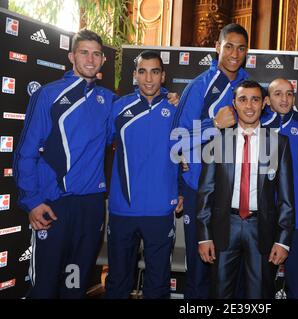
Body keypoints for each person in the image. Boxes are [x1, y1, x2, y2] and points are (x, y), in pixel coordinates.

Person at [13, 29, 115, 298]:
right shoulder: (48, 95)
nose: (91, 59)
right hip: (53, 204)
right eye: (84, 52)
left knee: (75, 285)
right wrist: (32, 201)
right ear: (72, 56)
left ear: (103, 59)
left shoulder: (108, 100)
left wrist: (166, 96)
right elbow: (26, 152)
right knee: (45, 287)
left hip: (91, 205)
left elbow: (132, 120)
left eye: (96, 54)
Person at [170, 23, 249, 298]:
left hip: (238, 192)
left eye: (241, 48)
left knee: (234, 272)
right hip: (200, 190)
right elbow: (177, 140)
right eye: (228, 46)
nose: (234, 54)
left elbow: (275, 127)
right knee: (200, 271)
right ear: (217, 47)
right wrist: (213, 124)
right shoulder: (199, 87)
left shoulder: (250, 88)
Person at [196, 80, 295, 298]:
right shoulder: (218, 142)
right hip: (224, 227)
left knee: (259, 295)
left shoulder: (279, 143)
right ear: (234, 103)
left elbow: (287, 198)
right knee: (219, 293)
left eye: (255, 99)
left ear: (264, 104)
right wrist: (204, 236)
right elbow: (206, 193)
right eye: (243, 99)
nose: (249, 106)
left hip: (261, 229)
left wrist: (283, 239)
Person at [105, 50, 183, 299]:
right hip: (122, 210)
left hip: (160, 210)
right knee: (118, 282)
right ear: (134, 75)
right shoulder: (117, 108)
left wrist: (181, 191)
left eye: (155, 72)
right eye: (142, 71)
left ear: (163, 76)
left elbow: (188, 155)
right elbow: (95, 147)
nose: (148, 78)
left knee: (158, 284)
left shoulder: (176, 109)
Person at [261, 78, 298, 298]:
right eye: (278, 94)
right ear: (267, 100)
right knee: (259, 287)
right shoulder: (256, 125)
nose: (284, 99)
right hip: (264, 221)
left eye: (289, 94)